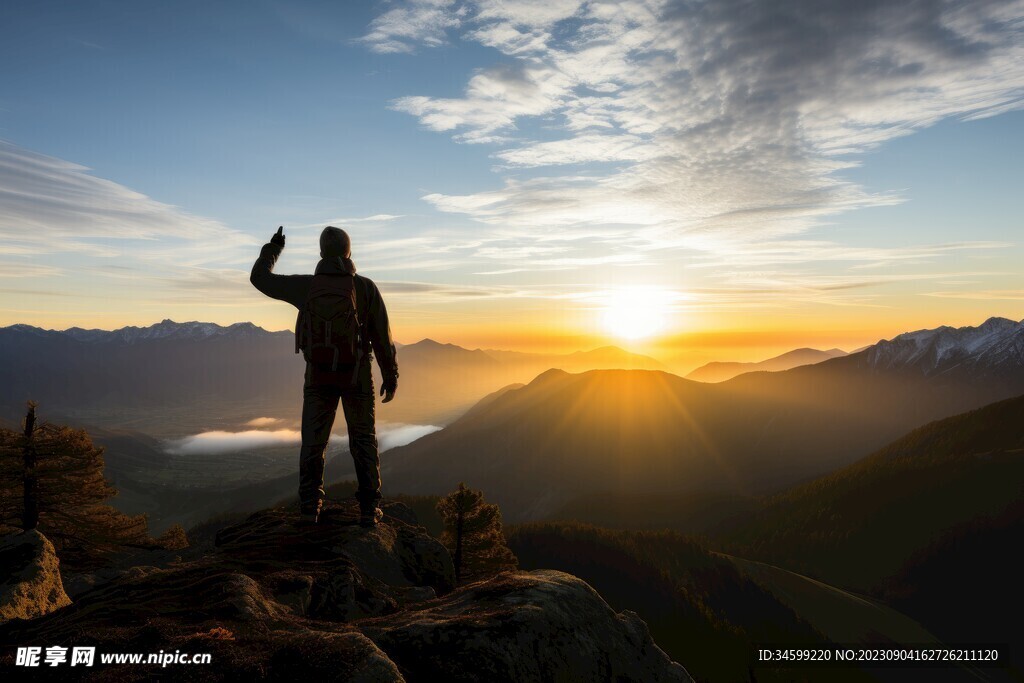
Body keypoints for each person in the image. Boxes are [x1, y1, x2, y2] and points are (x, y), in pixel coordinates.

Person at [250, 226, 398, 527]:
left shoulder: (307, 286)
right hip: (356, 375)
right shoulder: (366, 288)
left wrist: (273, 248)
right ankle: (369, 510)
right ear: (349, 253)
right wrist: (390, 374)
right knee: (364, 440)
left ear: (321, 253)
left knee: (314, 443)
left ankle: (309, 508)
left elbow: (260, 279)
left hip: (318, 376)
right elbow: (382, 337)